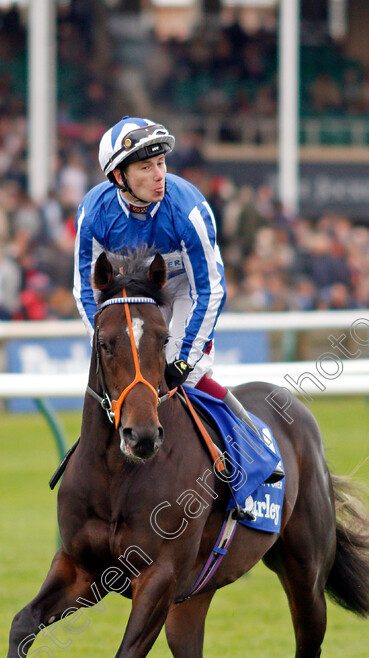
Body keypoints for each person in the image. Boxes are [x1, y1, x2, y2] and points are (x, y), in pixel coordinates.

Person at [73, 115, 266, 438]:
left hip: (185, 291)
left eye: (161, 163)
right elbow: (85, 291)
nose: (160, 175)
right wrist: (108, 339)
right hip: (138, 296)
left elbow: (210, 290)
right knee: (126, 377)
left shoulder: (188, 209)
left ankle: (253, 442)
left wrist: (185, 359)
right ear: (119, 176)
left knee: (183, 377)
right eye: (146, 168)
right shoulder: (94, 213)